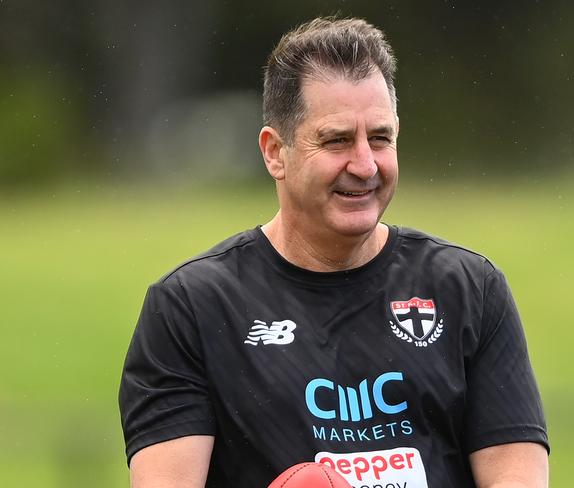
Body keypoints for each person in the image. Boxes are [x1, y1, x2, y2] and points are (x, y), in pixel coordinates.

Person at [119, 17, 549, 488]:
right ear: (274, 152)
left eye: (380, 138)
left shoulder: (469, 290)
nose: (365, 165)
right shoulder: (192, 309)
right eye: (337, 140)